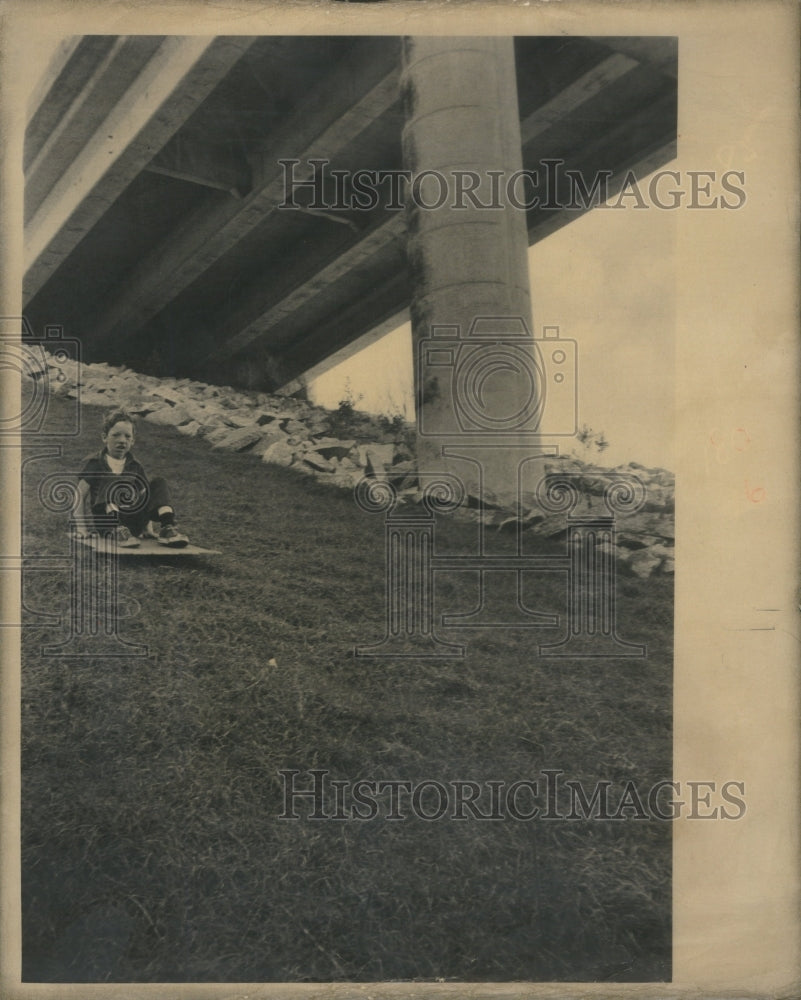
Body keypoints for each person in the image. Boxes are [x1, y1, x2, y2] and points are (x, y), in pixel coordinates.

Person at [72, 408, 189, 548]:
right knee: (114, 481)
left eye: (127, 437)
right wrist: (81, 528)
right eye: (116, 435)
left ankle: (167, 527)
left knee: (159, 482)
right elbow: (79, 496)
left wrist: (147, 529)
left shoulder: (134, 466)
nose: (122, 441)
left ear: (133, 441)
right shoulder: (96, 464)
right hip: (108, 523)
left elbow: (145, 496)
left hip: (133, 523)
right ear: (104, 437)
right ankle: (118, 529)